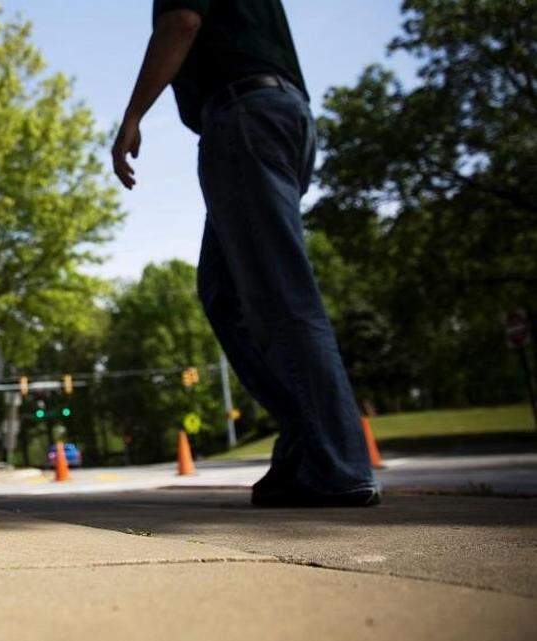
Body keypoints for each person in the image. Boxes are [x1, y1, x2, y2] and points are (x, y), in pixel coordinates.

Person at [112, 0, 379, 506]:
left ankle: (338, 466)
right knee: (225, 293)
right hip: (279, 115)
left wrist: (133, 114)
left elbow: (181, 22)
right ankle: (306, 443)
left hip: (245, 118)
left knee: (282, 292)